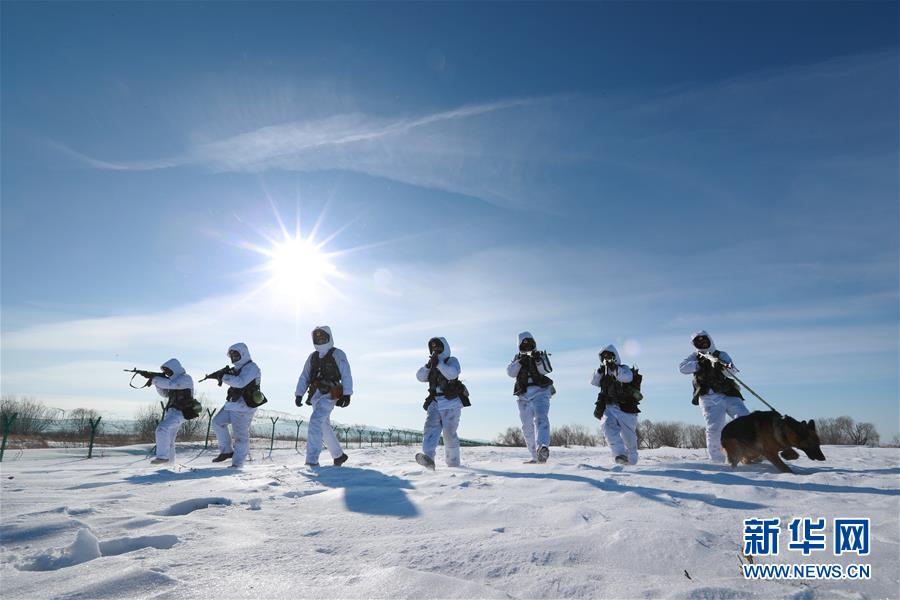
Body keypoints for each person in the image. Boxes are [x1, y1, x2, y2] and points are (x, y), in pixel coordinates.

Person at [679, 330, 749, 462]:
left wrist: (722, 366)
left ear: (709, 340)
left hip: (728, 394)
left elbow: (732, 371)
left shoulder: (721, 354)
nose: (703, 343)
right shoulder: (694, 357)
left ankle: (750, 452)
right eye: (699, 342)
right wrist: (700, 364)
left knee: (745, 419)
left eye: (705, 340)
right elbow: (682, 368)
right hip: (708, 397)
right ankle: (717, 460)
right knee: (714, 429)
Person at [295, 326, 352, 467]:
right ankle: (339, 455)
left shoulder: (337, 354)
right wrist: (299, 394)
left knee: (315, 422)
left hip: (331, 394)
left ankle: (312, 460)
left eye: (323, 338)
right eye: (317, 339)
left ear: (329, 338)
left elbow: (346, 373)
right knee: (323, 425)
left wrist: (347, 394)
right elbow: (304, 376)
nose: (320, 341)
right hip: (315, 395)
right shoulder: (312, 357)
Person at [415, 336, 468, 469]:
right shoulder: (432, 364)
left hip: (451, 403)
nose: (435, 350)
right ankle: (428, 458)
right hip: (435, 402)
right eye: (433, 348)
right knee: (429, 430)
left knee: (449, 434)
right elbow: (420, 377)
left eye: (438, 348)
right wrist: (429, 366)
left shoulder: (452, 361)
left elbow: (452, 374)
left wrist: (439, 364)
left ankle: (453, 463)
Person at [210, 342, 263, 468]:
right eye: (232, 355)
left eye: (236, 354)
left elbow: (240, 382)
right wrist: (220, 375)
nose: (234, 357)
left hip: (244, 406)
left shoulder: (252, 367)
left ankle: (237, 464)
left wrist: (223, 376)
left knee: (240, 436)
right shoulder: (236, 369)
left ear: (243, 354)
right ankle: (226, 451)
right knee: (217, 422)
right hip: (232, 403)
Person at [506, 331, 554, 464]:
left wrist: (538, 360)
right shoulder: (517, 358)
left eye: (529, 344)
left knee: (541, 419)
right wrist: (519, 362)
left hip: (540, 393)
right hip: (523, 396)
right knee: (527, 427)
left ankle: (542, 447)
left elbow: (547, 369)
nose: (527, 347)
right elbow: (510, 373)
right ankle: (535, 456)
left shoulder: (540, 355)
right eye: (524, 344)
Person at [592, 345, 640, 465]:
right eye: (604, 357)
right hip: (609, 406)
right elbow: (594, 382)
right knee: (607, 427)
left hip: (626, 408)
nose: (606, 359)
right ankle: (620, 455)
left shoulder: (624, 369)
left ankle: (632, 460)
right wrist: (599, 371)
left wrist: (614, 368)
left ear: (615, 356)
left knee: (629, 437)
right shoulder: (604, 373)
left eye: (609, 356)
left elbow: (626, 378)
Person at [149, 358, 196, 465]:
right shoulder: (172, 381)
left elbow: (171, 384)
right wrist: (157, 384)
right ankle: (169, 466)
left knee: (162, 428)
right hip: (171, 412)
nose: (167, 373)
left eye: (168, 371)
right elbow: (165, 394)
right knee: (169, 441)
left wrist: (155, 379)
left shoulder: (186, 378)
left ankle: (162, 457)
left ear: (174, 369)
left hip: (181, 412)